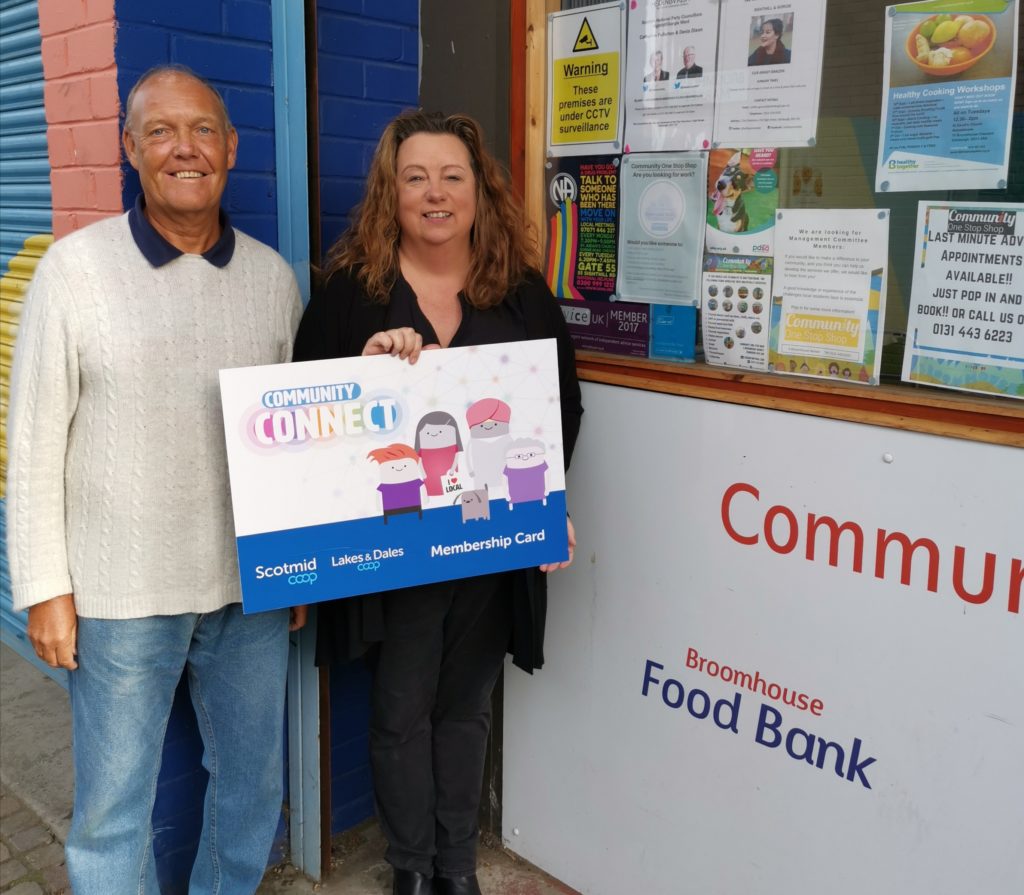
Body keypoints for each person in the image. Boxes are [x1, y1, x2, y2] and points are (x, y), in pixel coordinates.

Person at [5, 64, 305, 895]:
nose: (185, 148)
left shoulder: (272, 281)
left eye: (203, 129)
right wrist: (44, 587)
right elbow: (33, 440)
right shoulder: (73, 272)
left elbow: (297, 441)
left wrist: (299, 566)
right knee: (112, 810)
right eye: (161, 131)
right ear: (129, 147)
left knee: (252, 785)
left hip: (248, 590)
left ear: (231, 148)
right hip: (119, 595)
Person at [293, 110, 583, 895]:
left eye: (453, 176)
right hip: (398, 553)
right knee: (399, 710)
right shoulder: (352, 296)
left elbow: (561, 408)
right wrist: (366, 371)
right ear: (390, 193)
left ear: (478, 192)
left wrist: (547, 503)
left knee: (467, 708)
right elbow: (314, 426)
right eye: (415, 177)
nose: (435, 193)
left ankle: (456, 868)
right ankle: (412, 868)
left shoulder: (520, 294)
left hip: (490, 545)